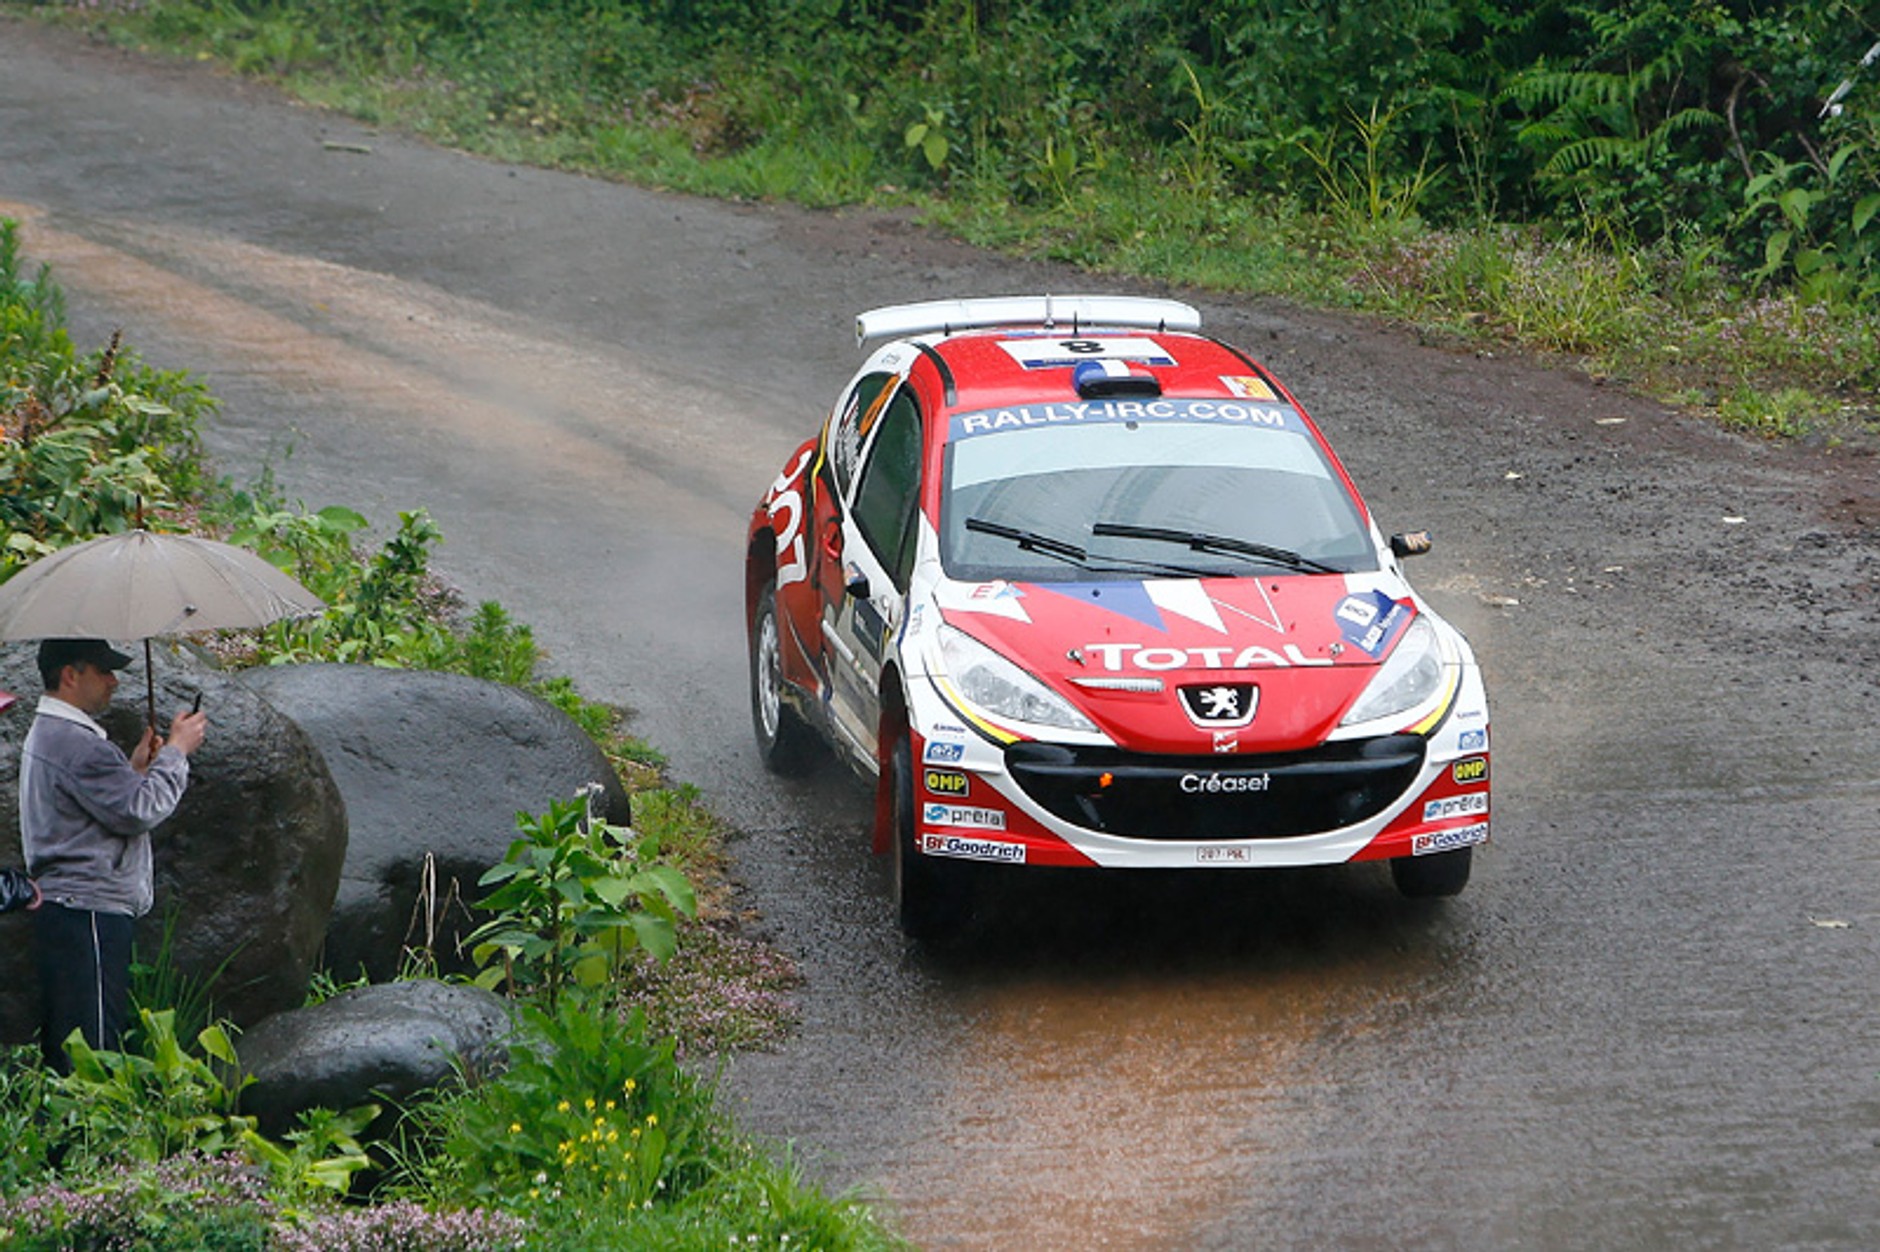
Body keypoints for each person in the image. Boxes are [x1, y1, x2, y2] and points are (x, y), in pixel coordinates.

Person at [17, 638, 207, 1072]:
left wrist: (135, 769)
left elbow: (95, 807)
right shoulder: (75, 741)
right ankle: (87, 1137)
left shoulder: (50, 733)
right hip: (88, 911)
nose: (113, 681)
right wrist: (177, 752)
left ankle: (68, 1136)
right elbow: (140, 810)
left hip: (66, 909)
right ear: (70, 674)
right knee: (92, 1050)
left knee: (72, 1040)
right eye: (102, 670)